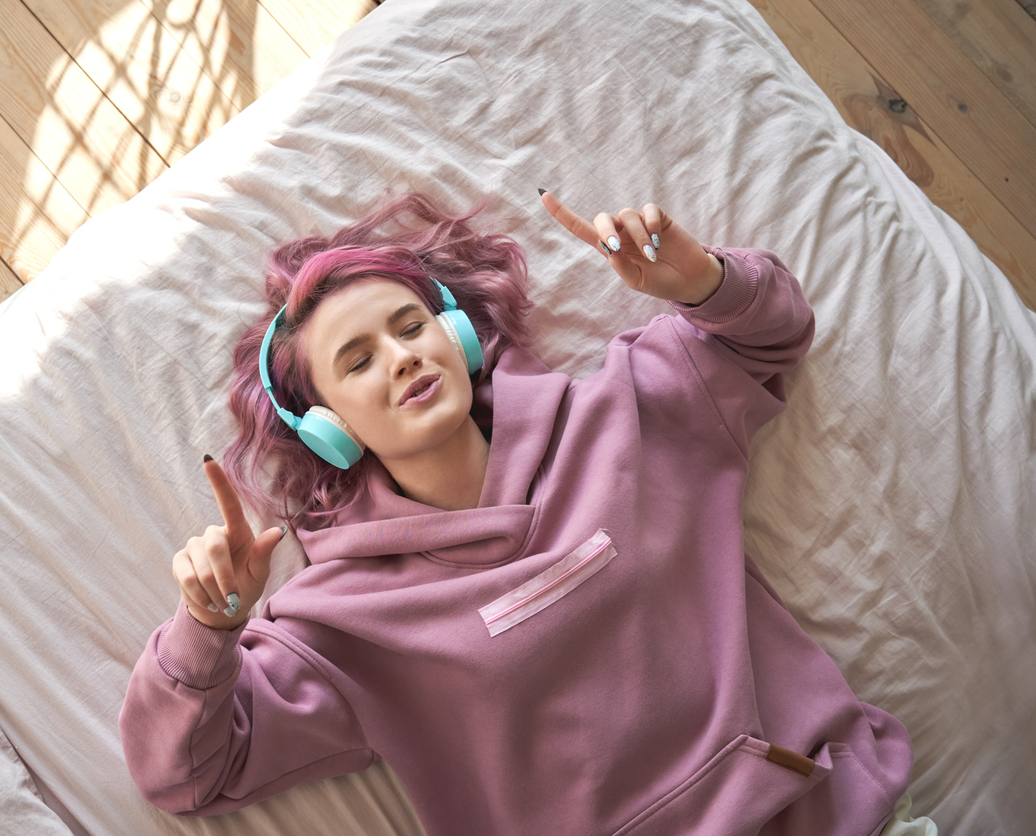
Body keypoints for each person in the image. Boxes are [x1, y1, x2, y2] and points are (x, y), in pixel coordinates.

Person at [120, 191, 922, 835]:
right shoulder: (339, 623)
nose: (402, 356)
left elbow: (769, 337)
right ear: (326, 429)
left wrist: (705, 284)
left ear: (459, 338)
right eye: (358, 361)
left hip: (830, 813)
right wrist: (207, 629)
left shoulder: (629, 412)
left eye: (411, 326)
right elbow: (185, 775)